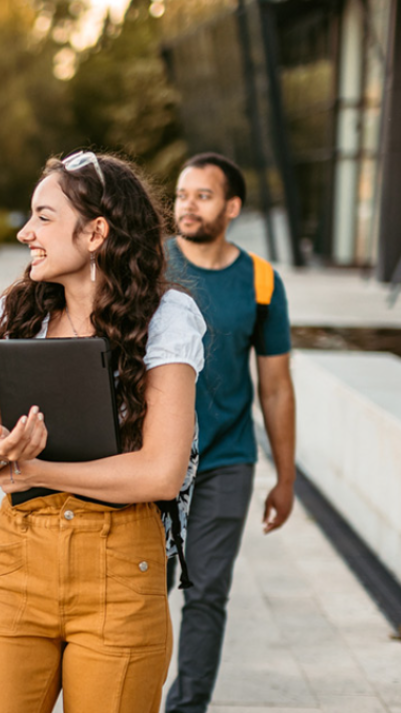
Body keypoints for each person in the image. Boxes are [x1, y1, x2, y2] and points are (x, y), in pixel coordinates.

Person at [0, 151, 206, 712]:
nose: (25, 233)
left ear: (96, 231)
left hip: (121, 570)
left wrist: (35, 470)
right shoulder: (15, 314)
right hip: (18, 561)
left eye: (43, 217)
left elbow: (161, 472)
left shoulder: (167, 318)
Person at [164, 152, 295, 713]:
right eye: (181, 195)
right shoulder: (150, 265)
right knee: (140, 592)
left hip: (227, 458)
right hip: (153, 458)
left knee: (207, 593)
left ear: (232, 207)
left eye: (203, 195)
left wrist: (286, 477)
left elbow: (276, 387)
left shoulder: (262, 282)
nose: (187, 206)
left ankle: (186, 707)